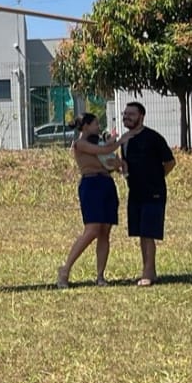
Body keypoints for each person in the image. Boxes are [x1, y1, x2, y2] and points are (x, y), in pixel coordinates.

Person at [56, 114, 136, 288]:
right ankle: (65, 269)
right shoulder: (80, 144)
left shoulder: (99, 143)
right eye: (95, 124)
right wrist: (121, 140)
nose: (98, 127)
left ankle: (100, 276)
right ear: (85, 126)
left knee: (104, 231)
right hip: (91, 185)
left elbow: (110, 159)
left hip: (106, 183)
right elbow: (104, 152)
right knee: (92, 230)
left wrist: (117, 163)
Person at [119, 101, 176, 286]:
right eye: (125, 114)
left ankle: (148, 273)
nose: (126, 117)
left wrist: (157, 178)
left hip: (154, 192)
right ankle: (149, 270)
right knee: (141, 232)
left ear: (141, 116)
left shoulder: (153, 138)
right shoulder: (125, 139)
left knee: (149, 232)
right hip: (135, 192)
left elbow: (170, 162)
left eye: (131, 114)